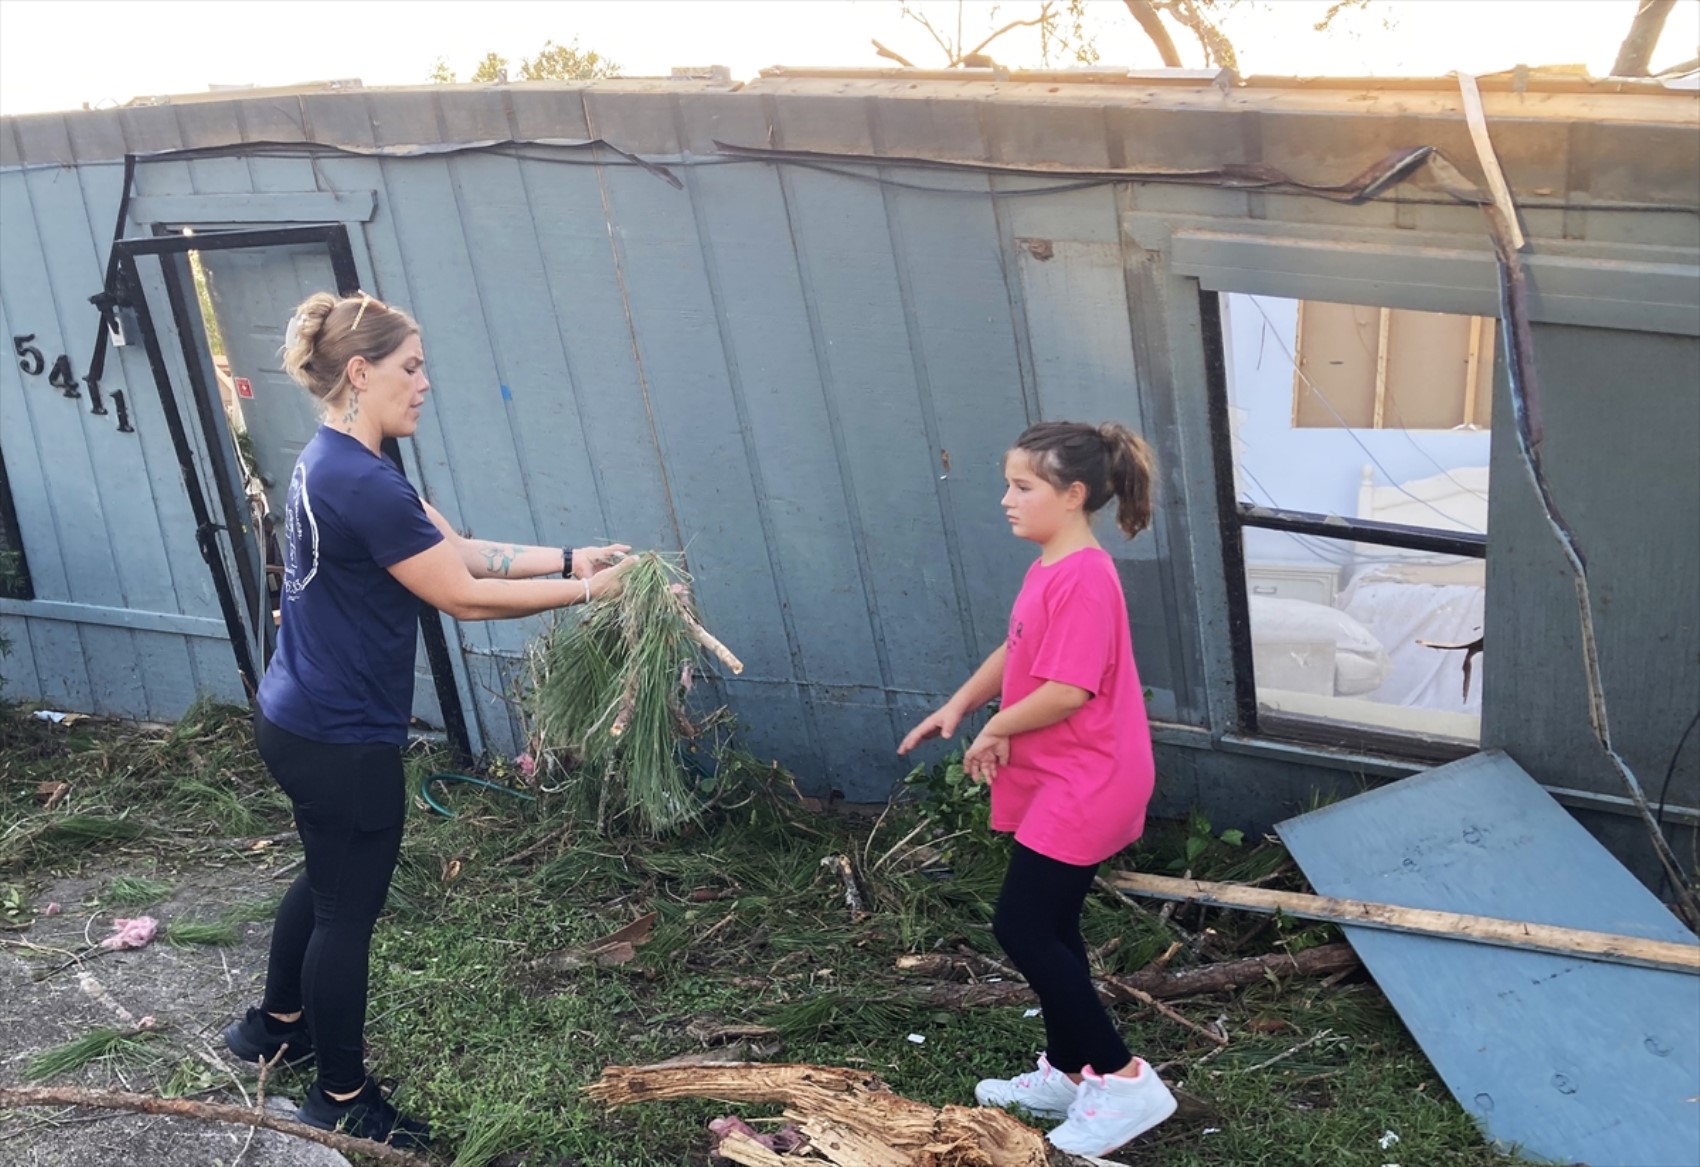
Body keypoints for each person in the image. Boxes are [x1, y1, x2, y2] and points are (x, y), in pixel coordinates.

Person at [221, 291, 638, 1149]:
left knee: (324, 873)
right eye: (411, 366)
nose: (426, 383)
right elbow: (464, 597)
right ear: (361, 372)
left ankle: (274, 1025)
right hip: (341, 736)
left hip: (295, 717)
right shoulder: (361, 480)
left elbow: (460, 549)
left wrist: (571, 555)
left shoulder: (336, 461)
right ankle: (339, 1095)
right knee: (346, 908)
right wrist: (593, 590)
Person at [898, 420, 1176, 1157]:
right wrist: (961, 705)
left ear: (1074, 493)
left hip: (1089, 778)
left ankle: (1122, 1078)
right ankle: (1067, 1066)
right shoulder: (1054, 563)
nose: (1005, 499)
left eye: (1023, 486)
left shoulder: (1085, 576)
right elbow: (1017, 647)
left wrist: (997, 730)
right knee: (1050, 925)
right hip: (1067, 773)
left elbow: (1069, 690)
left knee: (1022, 926)